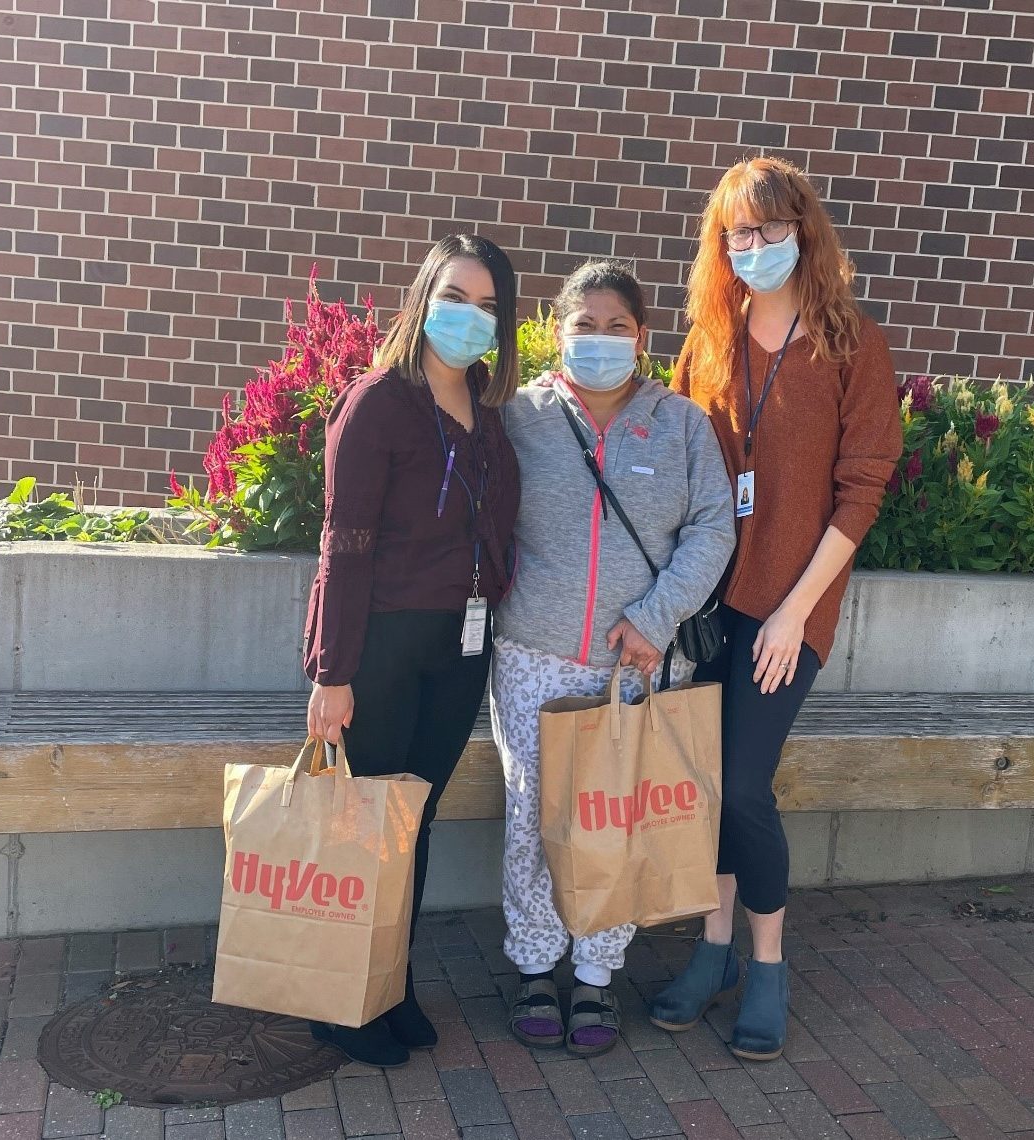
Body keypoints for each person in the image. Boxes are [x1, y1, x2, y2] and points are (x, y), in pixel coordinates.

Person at [650, 157, 901, 1060]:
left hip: (791, 609)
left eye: (769, 229)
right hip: (709, 604)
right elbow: (675, 469)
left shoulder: (850, 343)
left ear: (805, 230)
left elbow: (861, 490)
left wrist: (796, 613)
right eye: (738, 234)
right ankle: (712, 950)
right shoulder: (707, 343)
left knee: (744, 788)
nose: (754, 248)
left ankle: (766, 964)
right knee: (709, 787)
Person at [490, 260, 736, 1058]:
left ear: (643, 337)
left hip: (636, 662)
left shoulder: (681, 425)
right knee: (535, 818)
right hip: (535, 655)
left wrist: (654, 619)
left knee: (616, 821)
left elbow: (711, 530)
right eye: (583, 325)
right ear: (558, 331)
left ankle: (597, 974)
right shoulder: (518, 416)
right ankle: (534, 967)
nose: (600, 340)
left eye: (617, 326)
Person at [301, 234, 522, 1068]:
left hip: (459, 646)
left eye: (489, 306)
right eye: (456, 297)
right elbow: (342, 545)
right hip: (384, 641)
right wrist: (334, 671)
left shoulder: (486, 414)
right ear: (425, 297)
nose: (470, 317)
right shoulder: (377, 404)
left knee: (412, 821)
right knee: (364, 826)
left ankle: (388, 982)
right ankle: (339, 1001)